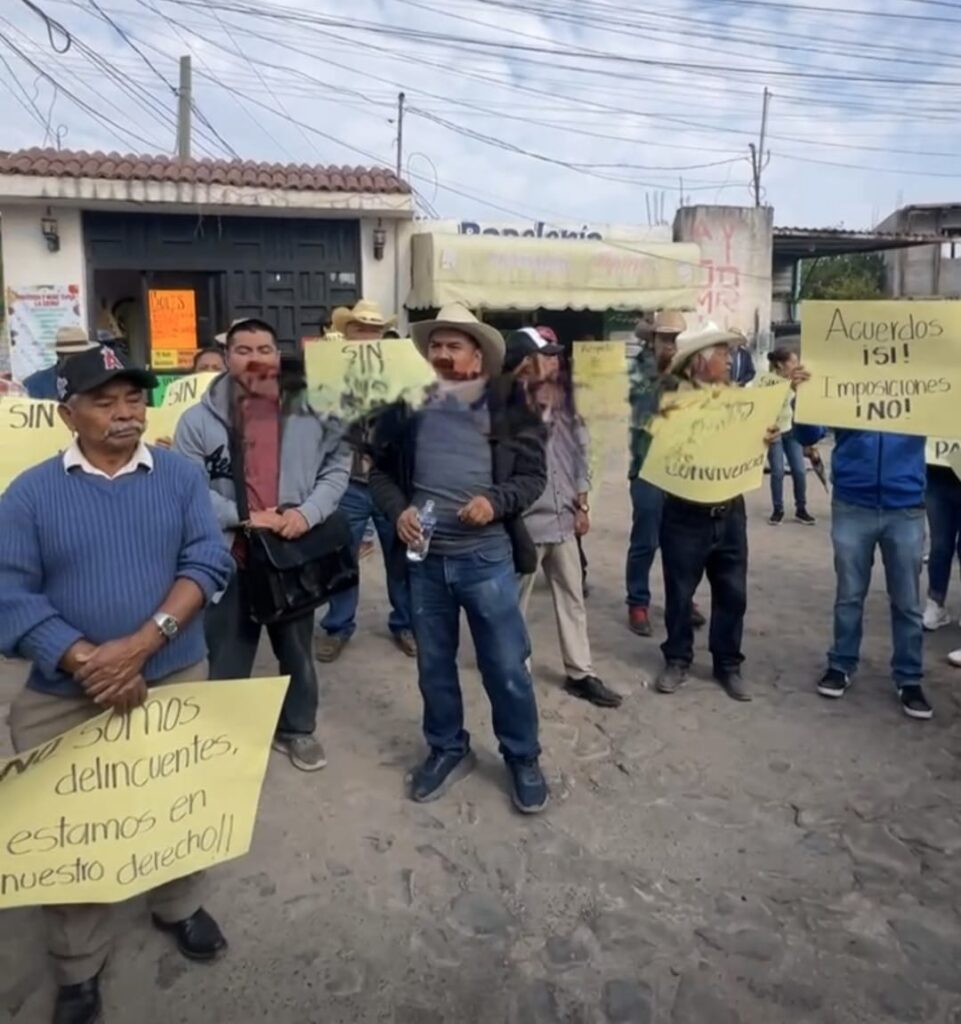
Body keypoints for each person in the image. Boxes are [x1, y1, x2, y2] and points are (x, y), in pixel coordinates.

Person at [0, 343, 234, 1024]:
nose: (125, 413)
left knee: (173, 806)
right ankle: (78, 967)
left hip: (174, 670)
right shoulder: (29, 493)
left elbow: (207, 560)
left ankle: (178, 906)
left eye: (133, 398)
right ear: (69, 413)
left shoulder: (180, 477)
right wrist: (81, 660)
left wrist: (142, 644)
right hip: (66, 691)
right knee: (72, 833)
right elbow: (8, 594)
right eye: (105, 402)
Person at [368, 303, 550, 813]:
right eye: (435, 346)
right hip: (425, 563)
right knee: (434, 668)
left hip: (486, 560)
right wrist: (398, 509)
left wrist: (495, 502)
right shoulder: (406, 405)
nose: (442, 355)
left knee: (506, 666)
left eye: (454, 346)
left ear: (477, 356)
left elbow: (533, 478)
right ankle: (448, 748)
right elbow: (379, 473)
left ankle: (522, 757)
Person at [174, 317, 350, 770]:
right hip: (227, 556)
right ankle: (225, 738)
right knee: (228, 651)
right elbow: (188, 488)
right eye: (244, 350)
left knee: (296, 649)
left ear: (278, 354)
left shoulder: (312, 407)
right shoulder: (198, 419)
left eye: (265, 349)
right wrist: (244, 518)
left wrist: (305, 513)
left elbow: (337, 464)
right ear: (227, 356)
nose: (255, 359)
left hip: (293, 551)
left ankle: (298, 729)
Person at [653, 324, 779, 702]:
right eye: (722, 353)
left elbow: (761, 429)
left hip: (730, 511)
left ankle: (728, 664)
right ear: (700, 363)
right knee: (679, 592)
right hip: (684, 513)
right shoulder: (671, 402)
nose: (729, 360)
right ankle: (677, 658)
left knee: (732, 593)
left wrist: (767, 433)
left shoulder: (739, 400)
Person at [508, 327, 622, 709]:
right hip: (525, 524)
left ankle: (580, 672)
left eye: (557, 354)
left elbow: (581, 454)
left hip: (563, 520)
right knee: (514, 603)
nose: (555, 361)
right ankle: (514, 667)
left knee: (572, 597)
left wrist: (583, 505)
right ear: (525, 361)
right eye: (547, 354)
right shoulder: (504, 407)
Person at [793, 408, 931, 719]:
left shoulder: (921, 379)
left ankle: (909, 677)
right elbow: (808, 434)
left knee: (907, 600)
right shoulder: (850, 376)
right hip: (853, 503)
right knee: (849, 595)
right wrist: (805, 399)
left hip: (905, 504)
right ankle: (841, 664)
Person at [314, 299, 415, 662]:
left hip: (390, 483)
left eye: (374, 329)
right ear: (348, 332)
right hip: (349, 483)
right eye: (361, 328)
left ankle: (405, 623)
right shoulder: (328, 372)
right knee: (343, 558)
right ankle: (338, 626)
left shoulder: (401, 374)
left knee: (401, 557)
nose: (368, 335)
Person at [625, 311, 706, 637]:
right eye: (665, 339)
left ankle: (683, 600)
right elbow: (646, 406)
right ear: (653, 340)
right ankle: (638, 602)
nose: (670, 346)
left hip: (682, 468)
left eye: (676, 339)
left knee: (682, 542)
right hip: (647, 468)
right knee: (646, 540)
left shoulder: (688, 370)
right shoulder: (639, 371)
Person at [763, 347, 816, 526]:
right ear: (780, 364)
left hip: (792, 429)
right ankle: (778, 509)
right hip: (775, 430)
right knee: (777, 471)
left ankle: (801, 508)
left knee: (799, 471)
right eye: (792, 362)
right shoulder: (768, 382)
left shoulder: (799, 382)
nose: (796, 365)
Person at [23, 325, 98, 399]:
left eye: (81, 354)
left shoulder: (99, 381)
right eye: (71, 354)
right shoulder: (35, 383)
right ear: (59, 354)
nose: (78, 359)